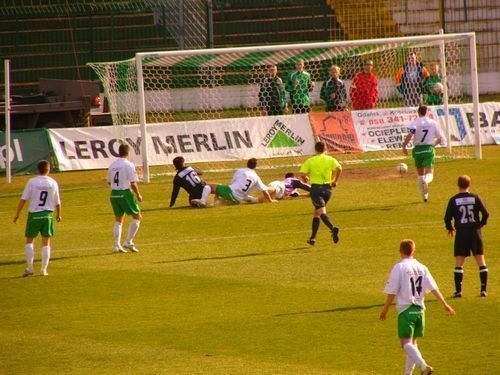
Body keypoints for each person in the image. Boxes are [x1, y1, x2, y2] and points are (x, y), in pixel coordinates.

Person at [380, 239, 455, 375]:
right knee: (413, 345)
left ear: (400, 251)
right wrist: (444, 304)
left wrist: (385, 309)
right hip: (420, 311)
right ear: (413, 251)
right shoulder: (422, 267)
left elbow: (392, 291)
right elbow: (433, 288)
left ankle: (424, 366)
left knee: (406, 344)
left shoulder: (399, 267)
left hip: (406, 310)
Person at [13, 160, 61, 277]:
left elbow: (23, 199)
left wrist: (17, 213)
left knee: (29, 240)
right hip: (48, 215)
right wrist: (59, 215)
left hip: (34, 215)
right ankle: (43, 269)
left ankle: (30, 268)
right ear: (48, 169)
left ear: (38, 170)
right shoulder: (53, 183)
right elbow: (58, 202)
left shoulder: (32, 182)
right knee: (46, 242)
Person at [444, 175, 489, 298]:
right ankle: (483, 290)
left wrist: (450, 228)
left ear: (458, 185)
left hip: (462, 233)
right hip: (475, 232)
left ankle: (458, 292)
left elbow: (447, 218)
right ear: (470, 184)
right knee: (480, 260)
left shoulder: (453, 200)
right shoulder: (475, 198)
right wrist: (481, 224)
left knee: (459, 262)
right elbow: (486, 213)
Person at [298, 141, 342, 246]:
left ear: (315, 149)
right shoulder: (330, 159)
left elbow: (302, 173)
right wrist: (335, 181)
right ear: (325, 148)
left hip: (316, 190)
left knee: (321, 212)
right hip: (327, 190)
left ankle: (332, 228)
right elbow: (339, 168)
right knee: (317, 213)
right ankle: (312, 238)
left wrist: (305, 178)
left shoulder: (311, 160)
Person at [402, 105, 444, 202]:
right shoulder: (433, 123)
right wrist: (433, 145)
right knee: (429, 173)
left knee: (420, 174)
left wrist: (404, 146)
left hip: (417, 150)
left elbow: (410, 135)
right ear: (427, 112)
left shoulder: (415, 123)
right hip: (428, 149)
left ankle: (425, 197)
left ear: (418, 112)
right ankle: (426, 181)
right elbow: (440, 138)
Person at [107, 144, 143, 253]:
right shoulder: (129, 165)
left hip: (114, 194)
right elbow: (133, 183)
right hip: (125, 192)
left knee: (119, 219)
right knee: (137, 217)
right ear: (128, 153)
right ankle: (128, 241)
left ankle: (116, 245)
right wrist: (138, 194)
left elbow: (109, 181)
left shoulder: (112, 165)